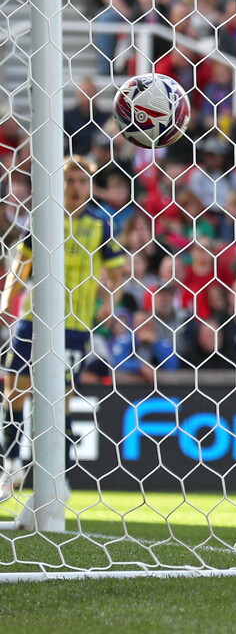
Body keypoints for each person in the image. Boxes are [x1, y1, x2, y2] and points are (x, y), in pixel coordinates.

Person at [0, 157, 125, 499]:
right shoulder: (42, 219)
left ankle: (58, 479)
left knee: (61, 402)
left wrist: (106, 303)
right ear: (59, 183)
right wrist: (5, 304)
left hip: (74, 326)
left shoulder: (101, 225)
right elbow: (20, 265)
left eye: (82, 181)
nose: (75, 188)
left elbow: (117, 275)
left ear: (90, 186)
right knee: (16, 393)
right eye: (69, 180)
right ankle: (10, 470)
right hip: (33, 319)